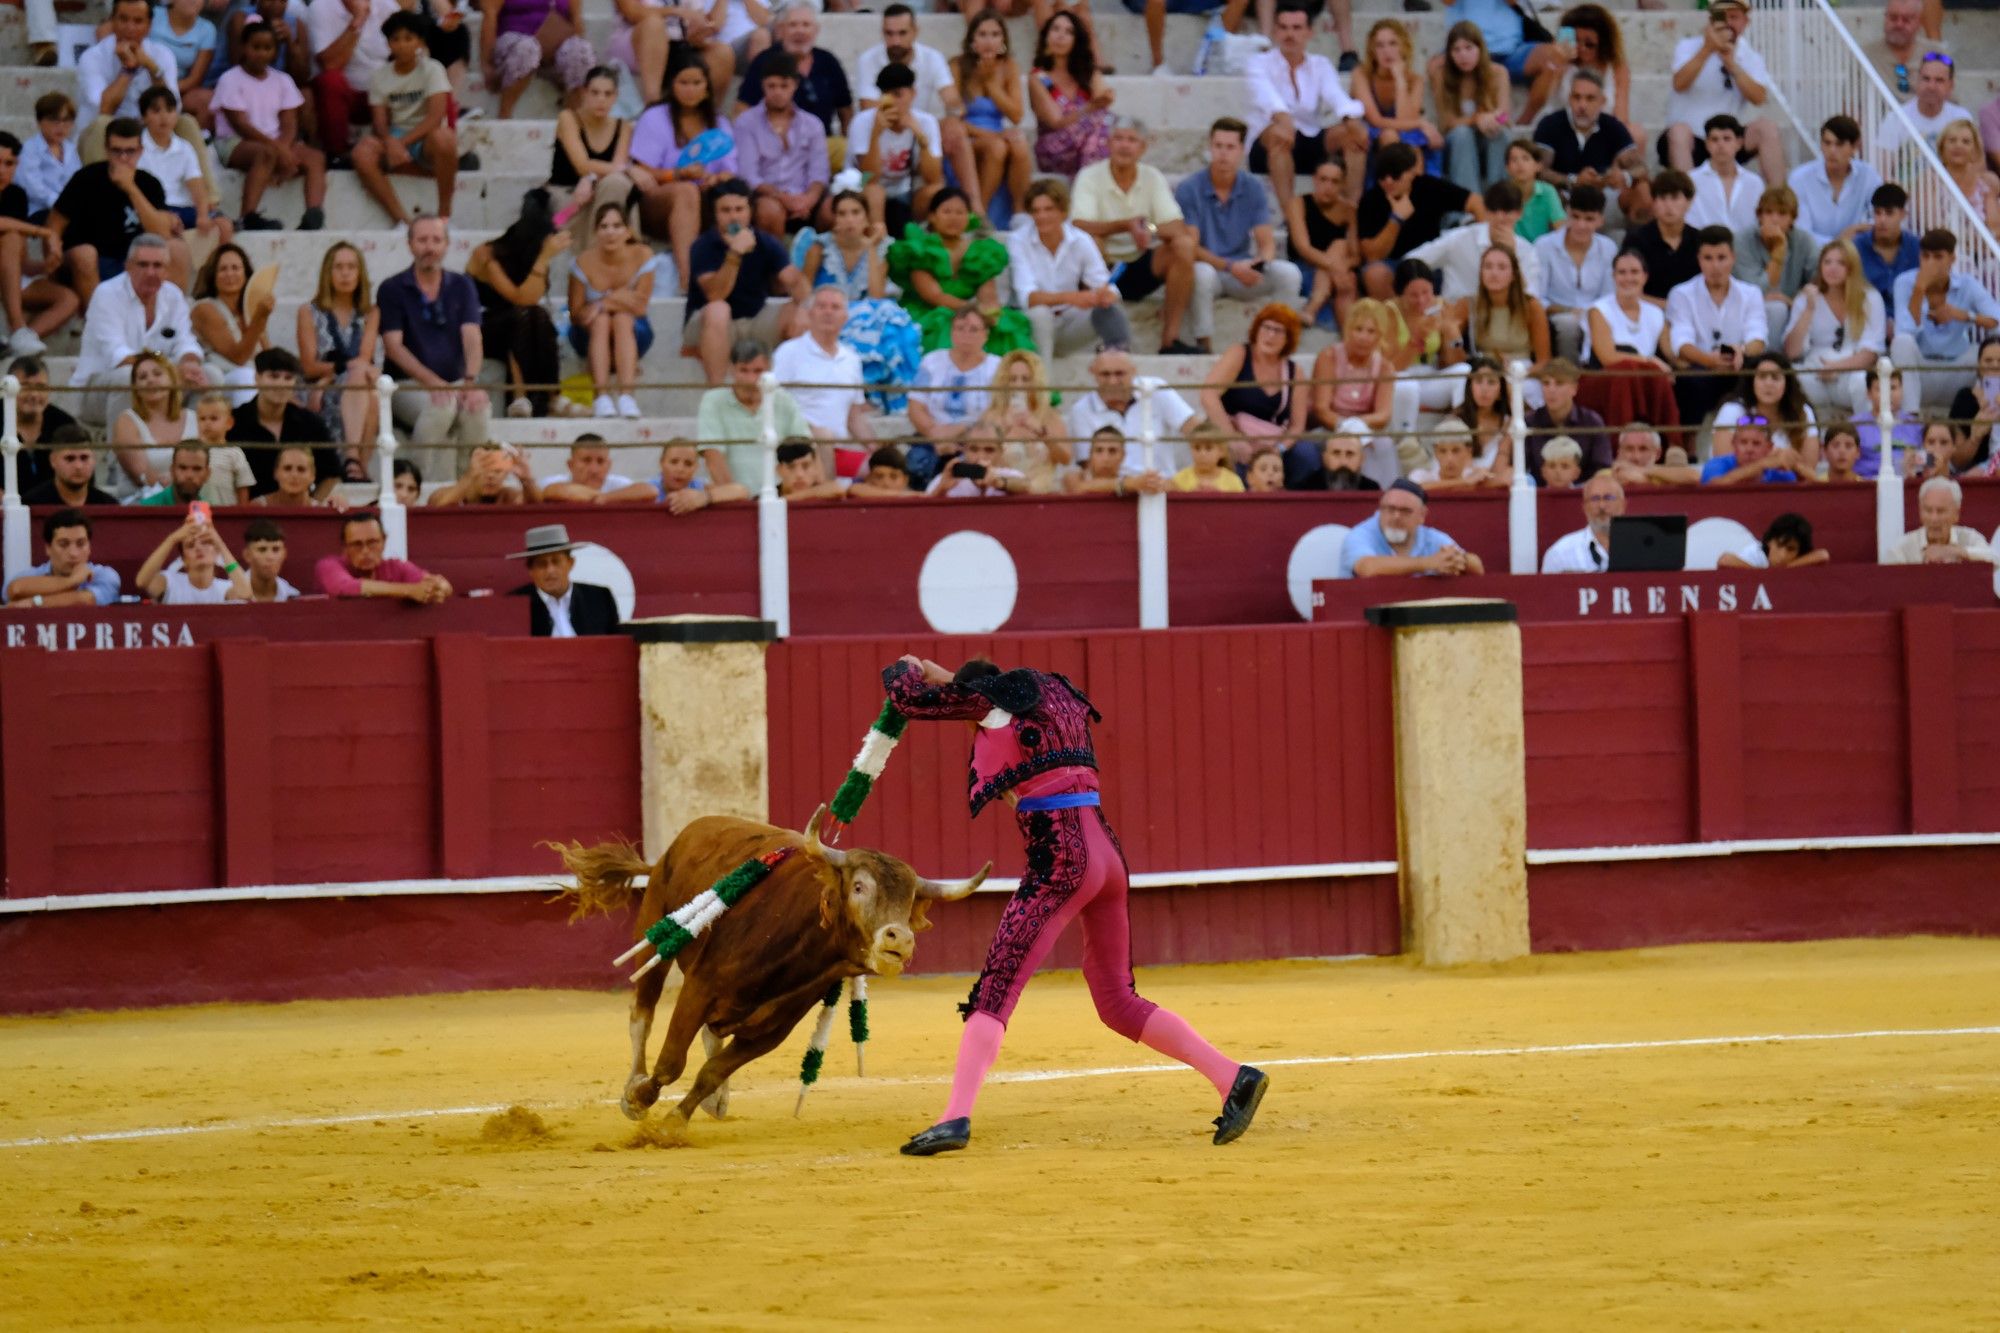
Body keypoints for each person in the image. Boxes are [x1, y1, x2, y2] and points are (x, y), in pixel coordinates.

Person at [884, 653, 1267, 1157]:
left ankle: (955, 1116)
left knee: (997, 986)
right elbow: (977, 688)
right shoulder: (1038, 700)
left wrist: (903, 668)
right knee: (1117, 1000)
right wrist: (942, 671)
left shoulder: (990, 706)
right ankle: (1232, 1077)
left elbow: (909, 698)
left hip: (1062, 860)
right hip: (1107, 855)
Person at [1070, 119, 1201, 355]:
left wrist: (1146, 228)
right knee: (1090, 241)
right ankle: (1105, 336)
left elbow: (1176, 225)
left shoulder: (1152, 177)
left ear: (1143, 148)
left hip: (1138, 263)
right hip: (1102, 265)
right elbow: (1078, 224)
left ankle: (1170, 339)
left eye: (1132, 140)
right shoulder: (1089, 176)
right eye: (1119, 138)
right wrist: (1126, 226)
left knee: (1183, 244)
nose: (1124, 146)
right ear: (1109, 143)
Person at [1176, 119, 1304, 347]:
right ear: (1210, 147)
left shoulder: (1252, 187)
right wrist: (1229, 266)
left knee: (1289, 273)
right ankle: (1203, 343)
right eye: (1218, 146)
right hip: (1213, 269)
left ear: (1242, 151)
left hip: (1242, 267)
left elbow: (1266, 241)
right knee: (1200, 273)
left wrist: (1259, 263)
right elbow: (1192, 247)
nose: (1223, 154)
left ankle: (1278, 340)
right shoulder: (1190, 189)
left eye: (1230, 147)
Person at [1248, 1, 1366, 249]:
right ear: (1275, 32)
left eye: (1297, 27)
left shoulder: (1320, 65)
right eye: (1283, 28)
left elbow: (1337, 97)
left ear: (1309, 32)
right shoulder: (1258, 63)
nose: (1290, 34)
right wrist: (1285, 121)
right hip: (1268, 142)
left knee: (1352, 135)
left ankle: (1348, 210)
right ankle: (1290, 216)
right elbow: (1270, 102)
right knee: (1281, 134)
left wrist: (1352, 121)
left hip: (1308, 136)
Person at [791, 190, 922, 413]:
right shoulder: (819, 247)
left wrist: (870, 246)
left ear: (866, 218)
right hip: (827, 311)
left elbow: (876, 296)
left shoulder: (883, 247)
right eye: (842, 214)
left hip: (866, 312)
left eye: (855, 212)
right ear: (834, 219)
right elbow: (805, 287)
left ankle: (876, 396)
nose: (849, 219)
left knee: (887, 314)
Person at [378, 216, 489, 476]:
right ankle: (417, 484)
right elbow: (393, 347)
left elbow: (472, 336)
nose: (430, 247)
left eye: (436, 240)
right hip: (406, 384)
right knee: (441, 407)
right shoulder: (392, 288)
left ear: (447, 244)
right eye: (422, 240)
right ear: (410, 245)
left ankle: (470, 488)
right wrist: (433, 382)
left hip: (455, 380)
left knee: (478, 405)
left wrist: (470, 381)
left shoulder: (462, 285)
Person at [70, 233, 206, 429]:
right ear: (128, 266)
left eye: (158, 265)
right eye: (143, 265)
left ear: (167, 270)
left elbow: (185, 340)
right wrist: (170, 372)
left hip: (159, 380)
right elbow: (117, 355)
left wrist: (189, 363)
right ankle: (119, 457)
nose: (151, 272)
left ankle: (189, 450)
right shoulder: (106, 294)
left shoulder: (173, 295)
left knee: (209, 375)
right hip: (97, 391)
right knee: (129, 377)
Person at [682, 180, 804, 388]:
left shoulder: (765, 242)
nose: (734, 216)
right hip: (710, 322)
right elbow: (714, 295)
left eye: (739, 209)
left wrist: (797, 289)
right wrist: (734, 254)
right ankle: (717, 393)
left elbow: (797, 285)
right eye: (726, 210)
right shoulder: (703, 246)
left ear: (750, 211)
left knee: (799, 311)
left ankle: (795, 391)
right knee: (718, 310)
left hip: (754, 318)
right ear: (715, 214)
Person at [855, 5, 981, 203]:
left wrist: (949, 118)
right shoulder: (868, 60)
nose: (895, 41)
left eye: (902, 33)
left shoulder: (932, 58)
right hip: (884, 129)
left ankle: (975, 207)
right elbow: (869, 109)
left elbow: (953, 101)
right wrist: (902, 121)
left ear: (915, 31)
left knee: (954, 130)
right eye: (889, 34)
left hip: (918, 128)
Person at [630, 60, 739, 290]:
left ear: (707, 87)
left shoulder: (719, 123)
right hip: (658, 200)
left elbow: (730, 171)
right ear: (672, 85)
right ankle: (687, 277)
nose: (690, 89)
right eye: (683, 83)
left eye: (696, 83)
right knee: (686, 191)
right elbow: (642, 171)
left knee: (738, 200)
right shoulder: (655, 117)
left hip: (707, 199)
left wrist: (716, 178)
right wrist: (678, 174)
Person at [49, 118, 182, 303]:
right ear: (106, 149)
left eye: (130, 151)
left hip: (133, 259)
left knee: (177, 248)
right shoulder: (86, 178)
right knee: (85, 254)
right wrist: (53, 250)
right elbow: (55, 222)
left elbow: (161, 232)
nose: (123, 158)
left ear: (140, 151)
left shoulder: (149, 184)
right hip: (90, 260)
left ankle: (167, 319)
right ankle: (98, 322)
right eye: (117, 151)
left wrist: (130, 188)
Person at [212, 17, 326, 232]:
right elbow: (241, 125)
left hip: (276, 143)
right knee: (266, 154)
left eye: (267, 48)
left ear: (275, 51)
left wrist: (283, 148)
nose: (261, 53)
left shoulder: (283, 80)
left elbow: (290, 122)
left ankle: (313, 215)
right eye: (256, 47)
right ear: (244, 47)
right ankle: (248, 217)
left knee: (315, 158)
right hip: (236, 142)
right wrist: (279, 151)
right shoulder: (230, 79)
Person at [886, 186, 1031, 355]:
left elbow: (988, 295)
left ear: (969, 217)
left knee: (1004, 332)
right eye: (947, 212)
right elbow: (934, 296)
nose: (953, 218)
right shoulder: (920, 250)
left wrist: (990, 314)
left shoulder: (981, 252)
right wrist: (973, 310)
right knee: (945, 329)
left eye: (960, 212)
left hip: (970, 312)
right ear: (932, 216)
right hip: (928, 312)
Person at [1007, 179, 1129, 365]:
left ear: (1063, 212)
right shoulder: (1018, 240)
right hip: (1030, 326)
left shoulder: (1081, 240)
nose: (1041, 216)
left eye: (1048, 209)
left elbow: (1105, 284)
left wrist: (1107, 295)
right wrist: (1072, 297)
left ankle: (1122, 370)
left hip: (1067, 323)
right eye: (1036, 210)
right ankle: (1042, 391)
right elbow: (1028, 298)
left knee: (1110, 311)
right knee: (1040, 314)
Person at [353, 10, 458, 225]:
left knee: (445, 138)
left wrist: (400, 144)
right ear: (388, 43)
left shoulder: (433, 69)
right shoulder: (380, 76)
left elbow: (436, 116)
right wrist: (390, 142)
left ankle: (444, 213)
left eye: (409, 39)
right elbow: (380, 122)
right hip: (396, 134)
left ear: (419, 42)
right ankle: (401, 220)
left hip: (425, 136)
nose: (402, 45)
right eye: (396, 39)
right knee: (362, 153)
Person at [1661, 0, 1784, 179]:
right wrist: (1707, 50)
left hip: (1728, 139)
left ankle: (1779, 201)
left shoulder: (1750, 57)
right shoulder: (1688, 47)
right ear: (1711, 20)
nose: (1728, 23)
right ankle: (1687, 201)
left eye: (1734, 17)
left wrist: (1732, 65)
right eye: (1722, 17)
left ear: (1745, 22)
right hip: (1690, 140)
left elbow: (1758, 97)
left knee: (1767, 129)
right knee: (1679, 132)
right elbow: (1679, 84)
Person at [1667, 225, 1766, 428]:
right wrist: (1709, 360)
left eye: (1721, 258)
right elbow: (1681, 342)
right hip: (1701, 367)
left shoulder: (1751, 293)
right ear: (1699, 259)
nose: (1715, 266)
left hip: (1739, 364)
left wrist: (1742, 351)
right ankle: (1690, 445)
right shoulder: (1681, 294)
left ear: (1733, 258)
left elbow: (1758, 336)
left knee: (1760, 373)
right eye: (1708, 258)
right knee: (1687, 381)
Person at [1356, 141, 1480, 300]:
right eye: (1382, 176)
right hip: (1393, 265)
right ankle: (1399, 322)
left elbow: (1477, 203)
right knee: (1374, 274)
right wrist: (1396, 219)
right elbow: (1372, 255)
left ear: (1411, 172)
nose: (1388, 181)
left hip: (1431, 262)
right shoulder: (1370, 200)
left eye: (1395, 175)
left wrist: (1480, 241)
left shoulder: (1429, 187)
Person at [1893, 228, 2000, 413]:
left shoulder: (1967, 284)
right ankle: (1910, 418)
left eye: (1938, 257)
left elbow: (1997, 320)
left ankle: (1990, 416)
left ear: (1952, 258)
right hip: (1921, 370)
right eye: (1925, 256)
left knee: (1990, 355)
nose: (1930, 263)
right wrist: (1919, 289)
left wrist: (1964, 315)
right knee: (1901, 343)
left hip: (1958, 369)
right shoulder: (1905, 282)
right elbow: (1905, 331)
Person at [567, 201, 658, 419]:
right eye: (604, 226)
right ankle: (602, 397)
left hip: (634, 329)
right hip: (588, 334)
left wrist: (601, 303)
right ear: (596, 232)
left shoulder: (643, 255)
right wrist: (621, 298)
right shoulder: (583, 262)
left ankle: (627, 396)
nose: (610, 232)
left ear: (628, 231)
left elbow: (640, 305)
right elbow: (577, 314)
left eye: (617, 226)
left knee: (622, 318)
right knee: (601, 321)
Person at [774, 286, 876, 474]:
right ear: (810, 313)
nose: (828, 312)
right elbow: (774, 405)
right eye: (822, 306)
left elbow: (853, 416)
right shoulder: (788, 352)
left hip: (838, 449)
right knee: (823, 437)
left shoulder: (851, 359)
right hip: (798, 451)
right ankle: (827, 495)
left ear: (845, 316)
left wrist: (876, 449)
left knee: (881, 468)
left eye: (835, 307)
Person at [298, 241, 383, 466]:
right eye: (338, 267)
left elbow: (363, 358)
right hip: (318, 389)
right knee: (362, 380)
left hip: (352, 385)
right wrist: (325, 379)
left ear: (360, 273)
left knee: (368, 388)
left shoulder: (370, 313)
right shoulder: (309, 311)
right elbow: (309, 366)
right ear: (328, 272)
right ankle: (354, 462)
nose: (345, 273)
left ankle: (355, 462)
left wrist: (330, 377)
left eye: (351, 267)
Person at [1784, 236, 1886, 419]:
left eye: (1840, 263)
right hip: (1815, 371)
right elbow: (1792, 352)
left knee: (1863, 381)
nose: (1832, 268)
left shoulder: (1870, 297)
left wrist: (1836, 367)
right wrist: (1809, 308)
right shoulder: (1806, 298)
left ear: (1852, 267)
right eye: (1827, 262)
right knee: (1791, 378)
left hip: (1850, 372)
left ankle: (1868, 435)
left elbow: (1871, 352)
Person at [0, 134, 79, 360]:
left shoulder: (15, 195)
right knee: (13, 236)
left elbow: (19, 263)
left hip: (8, 278)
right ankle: (17, 327)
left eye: (9, 163)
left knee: (68, 299)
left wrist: (45, 266)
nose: (2, 170)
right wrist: (44, 232)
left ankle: (20, 340)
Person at [735, 53, 831, 238]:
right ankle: (777, 265)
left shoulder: (812, 124)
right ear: (763, 85)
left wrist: (807, 201)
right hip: (765, 197)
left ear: (795, 85)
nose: (778, 92)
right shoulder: (746, 123)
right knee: (770, 210)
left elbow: (819, 173)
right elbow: (749, 175)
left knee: (834, 208)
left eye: (784, 86)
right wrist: (783, 198)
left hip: (805, 200)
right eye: (772, 86)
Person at [1533, 70, 1644, 223]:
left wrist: (1622, 176)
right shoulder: (1550, 124)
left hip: (1603, 193)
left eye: (1590, 98)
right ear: (1569, 99)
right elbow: (1537, 170)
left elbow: (1641, 169)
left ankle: (1639, 244)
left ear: (1602, 101)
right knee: (1548, 194)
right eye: (1577, 97)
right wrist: (1574, 180)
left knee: (1642, 190)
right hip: (1565, 194)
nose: (1582, 105)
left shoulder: (1612, 126)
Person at [950, 9, 1030, 222]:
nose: (989, 41)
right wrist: (989, 136)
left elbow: (1016, 115)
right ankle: (981, 211)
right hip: (966, 134)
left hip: (996, 131)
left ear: (1003, 39)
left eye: (995, 34)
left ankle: (1019, 212)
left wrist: (991, 84)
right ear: (972, 39)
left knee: (1020, 144)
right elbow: (954, 118)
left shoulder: (1009, 66)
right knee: (997, 146)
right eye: (982, 34)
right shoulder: (957, 65)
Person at [1406, 180, 1542, 305]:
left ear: (1519, 213)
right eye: (1494, 210)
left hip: (1503, 321)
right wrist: (1427, 296)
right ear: (1486, 211)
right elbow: (1411, 261)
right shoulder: (1458, 239)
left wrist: (1512, 257)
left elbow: (1530, 298)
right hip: (1458, 319)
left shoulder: (1527, 251)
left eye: (1507, 211)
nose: (1500, 217)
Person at [1434, 0, 1569, 125]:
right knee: (1435, 66)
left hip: (1510, 50)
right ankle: (1453, 124)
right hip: (1465, 49)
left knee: (1554, 58)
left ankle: (1521, 125)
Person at [907, 307, 1001, 486]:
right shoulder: (931, 361)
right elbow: (916, 406)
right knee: (918, 463)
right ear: (951, 332)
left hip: (976, 442)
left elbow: (997, 410)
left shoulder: (997, 367)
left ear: (985, 335)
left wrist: (960, 431)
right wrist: (934, 434)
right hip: (933, 439)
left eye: (973, 329)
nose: (966, 334)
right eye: (960, 328)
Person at [1066, 348, 1198, 476]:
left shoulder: (1155, 389)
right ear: (1092, 373)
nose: (1112, 381)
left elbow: (1196, 430)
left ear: (1133, 372)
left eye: (1119, 374)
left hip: (1162, 486)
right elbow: (1089, 468)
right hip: (1113, 492)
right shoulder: (1081, 410)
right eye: (1105, 374)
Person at [309, 0, 409, 165]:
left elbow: (408, 54)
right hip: (345, 95)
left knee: (420, 75)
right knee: (331, 80)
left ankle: (403, 150)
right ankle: (337, 156)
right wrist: (359, 19)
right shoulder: (321, 6)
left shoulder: (388, 7)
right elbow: (330, 65)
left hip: (381, 92)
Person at [232, 349, 342, 498]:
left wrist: (311, 506)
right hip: (247, 514)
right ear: (257, 378)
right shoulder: (233, 422)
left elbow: (331, 473)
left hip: (298, 515)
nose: (280, 384)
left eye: (288, 378)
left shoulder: (311, 423)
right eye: (273, 376)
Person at [1307, 299, 1395, 484]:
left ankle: (1381, 495)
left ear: (1380, 335)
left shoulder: (1385, 367)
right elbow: (1321, 408)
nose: (1363, 337)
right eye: (1358, 329)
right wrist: (1345, 429)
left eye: (1371, 331)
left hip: (1363, 430)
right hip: (1327, 427)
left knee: (1383, 444)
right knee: (1341, 446)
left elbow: (1383, 414)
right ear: (1348, 330)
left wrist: (1357, 426)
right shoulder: (1328, 357)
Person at [1201, 302, 1306, 458]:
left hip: (1271, 443)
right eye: (1266, 327)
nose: (1270, 335)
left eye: (1278, 331)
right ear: (1256, 330)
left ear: (1288, 339)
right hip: (1234, 434)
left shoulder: (1294, 371)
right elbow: (1208, 395)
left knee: (1307, 455)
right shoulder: (1239, 353)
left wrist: (1279, 450)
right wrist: (1232, 439)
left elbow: (1297, 426)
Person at [548, 65, 634, 251]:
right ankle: (600, 254)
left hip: (601, 191)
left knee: (618, 183)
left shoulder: (623, 127)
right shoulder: (568, 118)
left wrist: (591, 178)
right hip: (568, 197)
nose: (601, 100)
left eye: (607, 94)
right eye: (594, 93)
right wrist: (625, 170)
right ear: (584, 93)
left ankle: (610, 251)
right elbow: (582, 165)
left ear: (615, 96)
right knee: (618, 181)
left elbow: (616, 168)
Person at [737, 4, 853, 141]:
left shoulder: (828, 61)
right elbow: (742, 108)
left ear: (816, 30)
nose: (800, 31)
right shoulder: (765, 61)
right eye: (793, 25)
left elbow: (845, 110)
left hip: (822, 143)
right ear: (781, 30)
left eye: (806, 25)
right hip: (774, 144)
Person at [850, 63, 943, 235]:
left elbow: (933, 178)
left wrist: (919, 135)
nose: (892, 101)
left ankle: (921, 241)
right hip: (862, 190)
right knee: (875, 192)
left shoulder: (926, 122)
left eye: (898, 95)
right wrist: (875, 135)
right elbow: (868, 178)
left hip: (904, 192)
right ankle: (879, 247)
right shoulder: (863, 122)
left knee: (935, 191)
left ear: (913, 94)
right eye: (886, 94)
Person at [136, 87, 228, 252]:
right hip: (152, 210)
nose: (164, 117)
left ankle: (214, 273)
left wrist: (202, 215)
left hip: (182, 208)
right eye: (156, 111)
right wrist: (162, 216)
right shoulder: (137, 148)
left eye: (170, 110)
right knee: (166, 230)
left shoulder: (184, 147)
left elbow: (196, 186)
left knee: (224, 225)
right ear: (144, 117)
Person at [1534, 184, 1616, 364]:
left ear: (1600, 220)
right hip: (1555, 316)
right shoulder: (1544, 246)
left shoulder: (1608, 248)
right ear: (1567, 213)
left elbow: (1608, 297)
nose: (1581, 225)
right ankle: (1568, 375)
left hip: (1596, 315)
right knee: (1568, 324)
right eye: (1575, 217)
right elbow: (1537, 297)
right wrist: (1569, 311)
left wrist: (1590, 314)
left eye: (1589, 219)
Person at [1339, 478, 1486, 578]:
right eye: (1390, 509)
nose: (1396, 516)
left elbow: (1477, 568)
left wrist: (1460, 560)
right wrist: (1428, 563)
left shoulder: (1430, 538)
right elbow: (1368, 568)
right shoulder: (1361, 534)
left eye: (1405, 511)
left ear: (1422, 516)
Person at [1028, 9, 1112, 178]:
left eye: (1068, 32)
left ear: (1076, 40)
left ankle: (1087, 183)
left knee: (1107, 122)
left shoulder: (1088, 72)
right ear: (1046, 36)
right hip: (1055, 148)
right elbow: (1056, 122)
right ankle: (1092, 187)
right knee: (1098, 123)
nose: (1060, 36)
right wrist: (1090, 107)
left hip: (1089, 144)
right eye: (1055, 29)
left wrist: (1098, 105)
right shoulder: (1039, 77)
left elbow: (1105, 100)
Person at [1734, 185, 1817, 350]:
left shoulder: (1804, 241)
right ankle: (1770, 363)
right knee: (1776, 309)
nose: (1774, 219)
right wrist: (1779, 251)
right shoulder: (1742, 240)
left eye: (1782, 214)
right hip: (1745, 311)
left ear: (1793, 218)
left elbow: (1818, 281)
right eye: (1769, 213)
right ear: (1759, 215)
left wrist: (1794, 301)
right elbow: (1757, 291)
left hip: (1793, 308)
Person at [1352, 19, 1440, 175]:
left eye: (1393, 44)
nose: (1387, 51)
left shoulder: (1415, 80)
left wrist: (1400, 79)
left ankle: (1413, 195)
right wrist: (1420, 123)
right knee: (1389, 135)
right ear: (1372, 50)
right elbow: (1375, 120)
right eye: (1380, 45)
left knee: (1411, 144)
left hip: (1406, 135)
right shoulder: (1362, 75)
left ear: (1403, 47)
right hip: (1372, 136)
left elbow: (1406, 119)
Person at [480, 0, 594, 119]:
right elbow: (490, 16)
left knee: (580, 52)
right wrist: (487, 64)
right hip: (514, 39)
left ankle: (572, 119)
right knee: (527, 48)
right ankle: (504, 116)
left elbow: (576, 20)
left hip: (554, 44)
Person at [190, 242, 273, 403]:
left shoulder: (250, 307)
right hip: (222, 378)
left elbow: (267, 355)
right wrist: (258, 319)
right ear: (213, 275)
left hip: (254, 377)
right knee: (246, 377)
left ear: (246, 273)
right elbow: (238, 357)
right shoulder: (205, 308)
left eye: (235, 268)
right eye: (223, 269)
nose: (230, 274)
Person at [1446, 245, 1550, 374]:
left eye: (1502, 267)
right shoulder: (1468, 304)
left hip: (1521, 370)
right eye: (1488, 267)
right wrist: (1451, 333)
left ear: (1514, 275)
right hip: (1483, 370)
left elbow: (1543, 361)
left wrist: (1518, 374)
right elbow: (1450, 355)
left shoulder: (1531, 305)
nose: (1494, 273)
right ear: (1481, 273)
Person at [1434, 20, 1509, 196]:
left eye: (1468, 48)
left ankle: (1498, 200)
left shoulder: (1498, 72)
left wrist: (1493, 119)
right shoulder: (1441, 74)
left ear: (1480, 49)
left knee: (1500, 133)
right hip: (1457, 143)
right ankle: (1468, 208)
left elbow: (1505, 117)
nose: (1463, 56)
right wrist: (1476, 119)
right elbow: (1446, 122)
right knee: (1462, 134)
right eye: (1456, 50)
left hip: (1487, 139)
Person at [980, 348, 1070, 491]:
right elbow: (980, 457)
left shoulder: (1049, 415)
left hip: (1043, 493)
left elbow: (1065, 458)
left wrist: (1040, 431)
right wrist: (1004, 429)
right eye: (1013, 379)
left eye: (1026, 379)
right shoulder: (991, 416)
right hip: (1003, 492)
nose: (1019, 385)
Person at [508, 523, 622, 635]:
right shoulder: (515, 605)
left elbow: (616, 644)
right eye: (542, 564)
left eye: (556, 561)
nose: (550, 570)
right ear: (530, 570)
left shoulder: (599, 598)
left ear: (570, 563)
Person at [110, 350, 196, 496]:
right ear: (136, 389)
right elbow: (142, 476)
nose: (150, 380)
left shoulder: (194, 417)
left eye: (158, 374)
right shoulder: (126, 421)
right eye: (143, 377)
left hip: (190, 499)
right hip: (143, 503)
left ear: (172, 379)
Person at [1789, 116, 1882, 249]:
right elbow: (1801, 232)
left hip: (1854, 253)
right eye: (1827, 143)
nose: (1832, 151)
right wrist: (1839, 241)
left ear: (1855, 146)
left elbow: (1880, 217)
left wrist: (1857, 232)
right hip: (1811, 256)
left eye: (1839, 144)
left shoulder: (1868, 175)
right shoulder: (1799, 178)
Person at [315, 511, 454, 599]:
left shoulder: (396, 567)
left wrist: (439, 588)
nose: (365, 551)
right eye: (357, 544)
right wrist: (409, 590)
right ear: (344, 547)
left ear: (384, 541)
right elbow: (345, 587)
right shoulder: (329, 565)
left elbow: (437, 583)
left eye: (372, 543)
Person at [1288, 159, 1357, 333]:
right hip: (1304, 266)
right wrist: (1335, 267)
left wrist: (1340, 267)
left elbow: (1356, 255)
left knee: (1340, 246)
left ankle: (1314, 306)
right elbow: (1303, 247)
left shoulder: (1349, 210)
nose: (1328, 186)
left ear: (1343, 184)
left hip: (1335, 272)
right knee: (1338, 262)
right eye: (1323, 179)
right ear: (1315, 180)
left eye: (1334, 181)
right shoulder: (1299, 203)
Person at [1559, 4, 1640, 152]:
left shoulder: (1617, 68)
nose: (1582, 48)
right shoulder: (1560, 65)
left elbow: (1621, 115)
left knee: (1636, 133)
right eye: (1576, 42)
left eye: (1589, 44)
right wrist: (1557, 61)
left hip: (1603, 132)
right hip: (1564, 131)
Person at [4, 509, 121, 607]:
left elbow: (83, 600)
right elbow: (16, 590)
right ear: (48, 548)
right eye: (63, 544)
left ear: (89, 547)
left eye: (81, 544)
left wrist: (34, 602)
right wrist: (72, 581)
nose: (73, 553)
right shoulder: (30, 575)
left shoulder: (105, 575)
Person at [5, 356, 81, 494]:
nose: (34, 394)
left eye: (41, 387)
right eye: (25, 387)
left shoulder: (64, 424)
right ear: (7, 389)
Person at [1620, 169, 1699, 302]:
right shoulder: (1637, 240)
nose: (1668, 206)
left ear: (1689, 202)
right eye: (1662, 198)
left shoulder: (1700, 240)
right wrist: (1667, 307)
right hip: (1647, 314)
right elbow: (1628, 289)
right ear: (1654, 203)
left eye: (1675, 198)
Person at [1524, 357, 1609, 480]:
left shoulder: (1592, 422)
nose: (1551, 390)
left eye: (1559, 383)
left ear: (1574, 389)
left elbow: (1603, 469)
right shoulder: (1529, 422)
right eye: (1546, 383)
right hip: (1540, 494)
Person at [135, 516, 251, 604]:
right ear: (184, 559)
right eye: (190, 545)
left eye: (205, 543)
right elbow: (141, 582)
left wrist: (220, 544)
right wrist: (172, 539)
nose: (199, 548)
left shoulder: (225, 588)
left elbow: (246, 594)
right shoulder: (170, 582)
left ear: (216, 553)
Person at [1884, 476, 1997, 564]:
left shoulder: (1970, 538)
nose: (1934, 518)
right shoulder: (1903, 548)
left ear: (1956, 514)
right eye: (1928, 510)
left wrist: (1957, 552)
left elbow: (1995, 558)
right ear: (1920, 512)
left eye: (1941, 511)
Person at [1877, 52, 1972, 155]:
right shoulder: (1896, 119)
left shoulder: (1962, 118)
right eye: (1926, 79)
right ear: (1917, 81)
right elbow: (1882, 166)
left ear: (1951, 85)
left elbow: (1975, 163)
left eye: (1939, 80)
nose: (1931, 86)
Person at [17, 93, 82, 237]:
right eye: (54, 120)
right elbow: (33, 188)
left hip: (67, 208)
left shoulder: (70, 149)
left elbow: (76, 181)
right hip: (39, 210)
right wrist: (62, 205)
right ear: (40, 121)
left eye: (66, 120)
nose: (61, 126)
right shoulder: (30, 149)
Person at [1687, 115, 1762, 236]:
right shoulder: (1691, 180)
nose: (1721, 145)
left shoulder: (1754, 182)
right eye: (1715, 140)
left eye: (1727, 139)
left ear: (1739, 143)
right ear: (1707, 144)